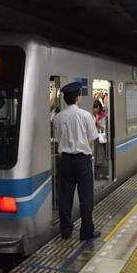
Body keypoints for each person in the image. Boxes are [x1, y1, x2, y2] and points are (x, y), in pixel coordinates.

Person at [53, 82, 100, 241]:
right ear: (78, 98)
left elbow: (59, 138)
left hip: (65, 160)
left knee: (65, 196)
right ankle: (86, 232)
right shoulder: (86, 115)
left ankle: (65, 231)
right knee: (86, 197)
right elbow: (92, 140)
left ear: (66, 99)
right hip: (82, 160)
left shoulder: (58, 117)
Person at [92, 100, 108, 179]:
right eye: (94, 107)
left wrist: (97, 121)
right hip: (93, 138)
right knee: (94, 153)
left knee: (100, 154)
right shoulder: (91, 115)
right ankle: (95, 170)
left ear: (99, 107)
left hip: (100, 137)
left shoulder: (103, 115)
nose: (95, 109)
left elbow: (103, 127)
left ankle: (100, 172)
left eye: (96, 107)